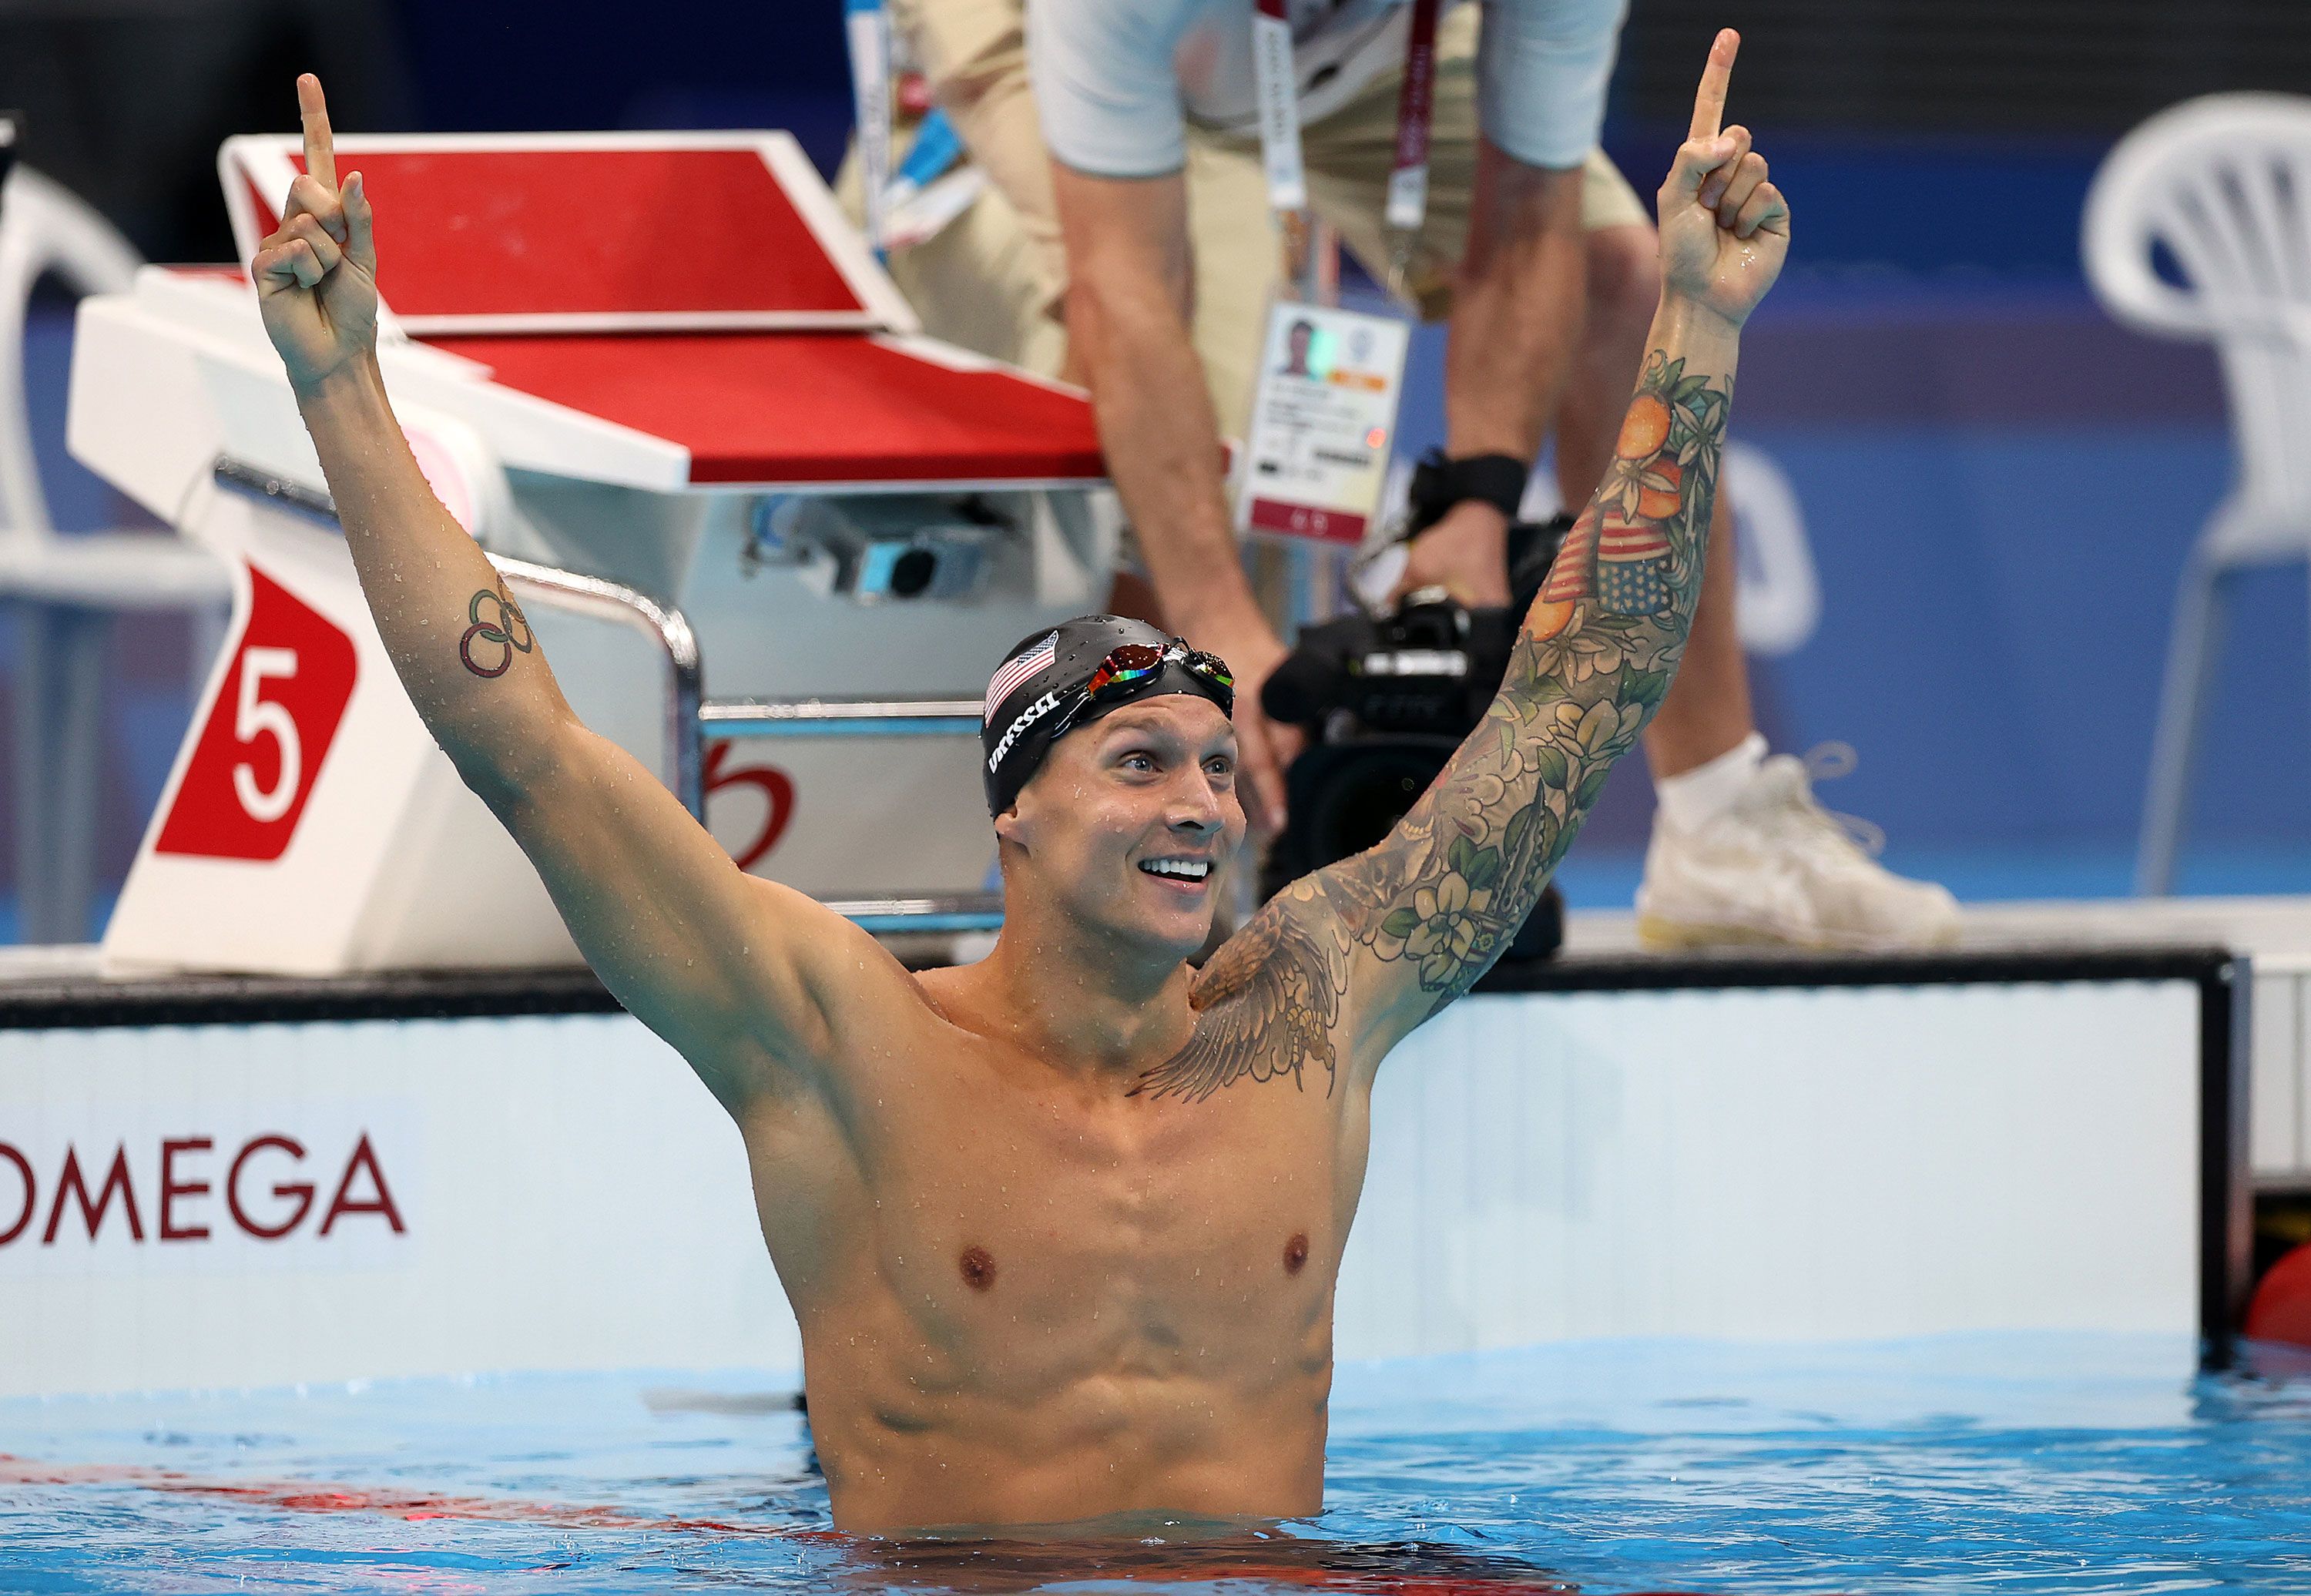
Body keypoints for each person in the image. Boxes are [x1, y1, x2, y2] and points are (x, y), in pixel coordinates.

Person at [259, 39, 1773, 1531]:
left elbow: (1575, 703)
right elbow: (522, 744)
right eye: (1136, 763)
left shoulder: (1316, 1004)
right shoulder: (839, 1042)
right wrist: (340, 388)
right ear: (1014, 817)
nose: (1198, 800)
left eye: (1207, 765)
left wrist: (1695, 321)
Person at [1024, 0, 1959, 951]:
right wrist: (1217, 618)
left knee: (1621, 279)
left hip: (1363, 59)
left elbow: (1528, 204)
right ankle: (1137, 870)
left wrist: (1480, 498)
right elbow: (1127, 289)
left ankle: (1720, 827)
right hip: (1072, 44)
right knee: (1145, 384)